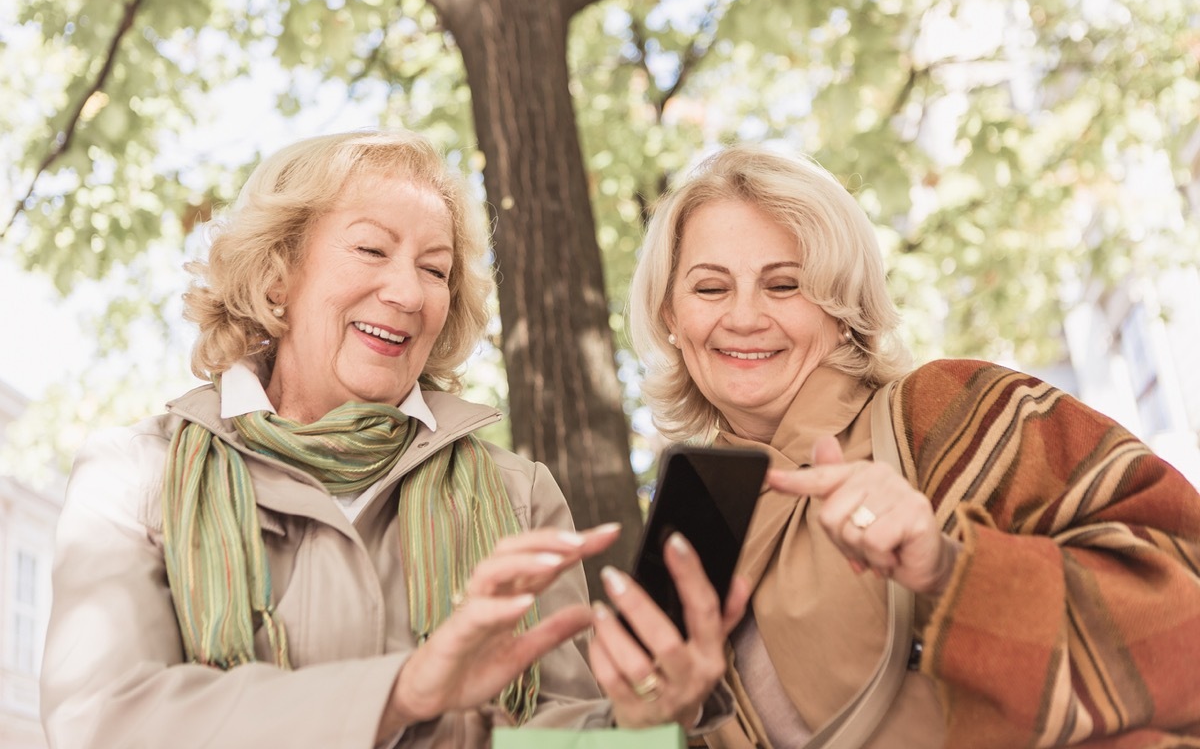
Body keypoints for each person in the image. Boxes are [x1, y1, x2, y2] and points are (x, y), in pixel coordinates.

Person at [40, 129, 744, 748]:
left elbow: (558, 731)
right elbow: (104, 720)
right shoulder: (135, 475)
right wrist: (403, 693)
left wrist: (643, 723)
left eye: (435, 270)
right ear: (278, 275)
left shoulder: (518, 495)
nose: (408, 293)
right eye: (372, 249)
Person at [627, 144, 1200, 748]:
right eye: (711, 289)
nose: (744, 317)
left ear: (842, 306)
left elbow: (1184, 610)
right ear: (671, 315)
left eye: (785, 284)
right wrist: (645, 722)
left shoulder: (948, 410)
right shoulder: (689, 527)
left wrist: (948, 568)